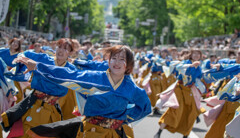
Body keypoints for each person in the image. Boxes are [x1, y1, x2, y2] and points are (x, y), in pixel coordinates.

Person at [14, 45, 152, 138]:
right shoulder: (95, 78)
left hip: (114, 134)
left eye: (122, 59)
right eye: (114, 58)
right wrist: (38, 66)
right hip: (91, 132)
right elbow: (68, 74)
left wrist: (123, 119)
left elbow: (145, 108)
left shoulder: (133, 89)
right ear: (108, 61)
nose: (117, 62)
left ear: (128, 65)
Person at [154, 49, 206, 138]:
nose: (197, 55)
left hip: (190, 90)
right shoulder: (186, 62)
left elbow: (199, 78)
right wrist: (190, 65)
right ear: (191, 55)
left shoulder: (199, 67)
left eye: (198, 54)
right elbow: (179, 67)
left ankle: (185, 135)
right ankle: (159, 132)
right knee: (175, 109)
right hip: (180, 88)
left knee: (191, 113)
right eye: (195, 53)